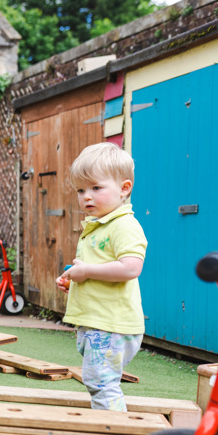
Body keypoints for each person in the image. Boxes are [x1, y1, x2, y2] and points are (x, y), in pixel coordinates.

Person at [56, 142, 147, 412]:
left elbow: (131, 268)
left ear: (124, 188)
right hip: (98, 320)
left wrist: (86, 271)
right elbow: (100, 270)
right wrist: (74, 281)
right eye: (81, 190)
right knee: (99, 380)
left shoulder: (124, 225)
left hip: (112, 323)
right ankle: (109, 427)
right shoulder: (98, 226)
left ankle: (113, 434)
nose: (87, 196)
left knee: (101, 381)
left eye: (96, 188)